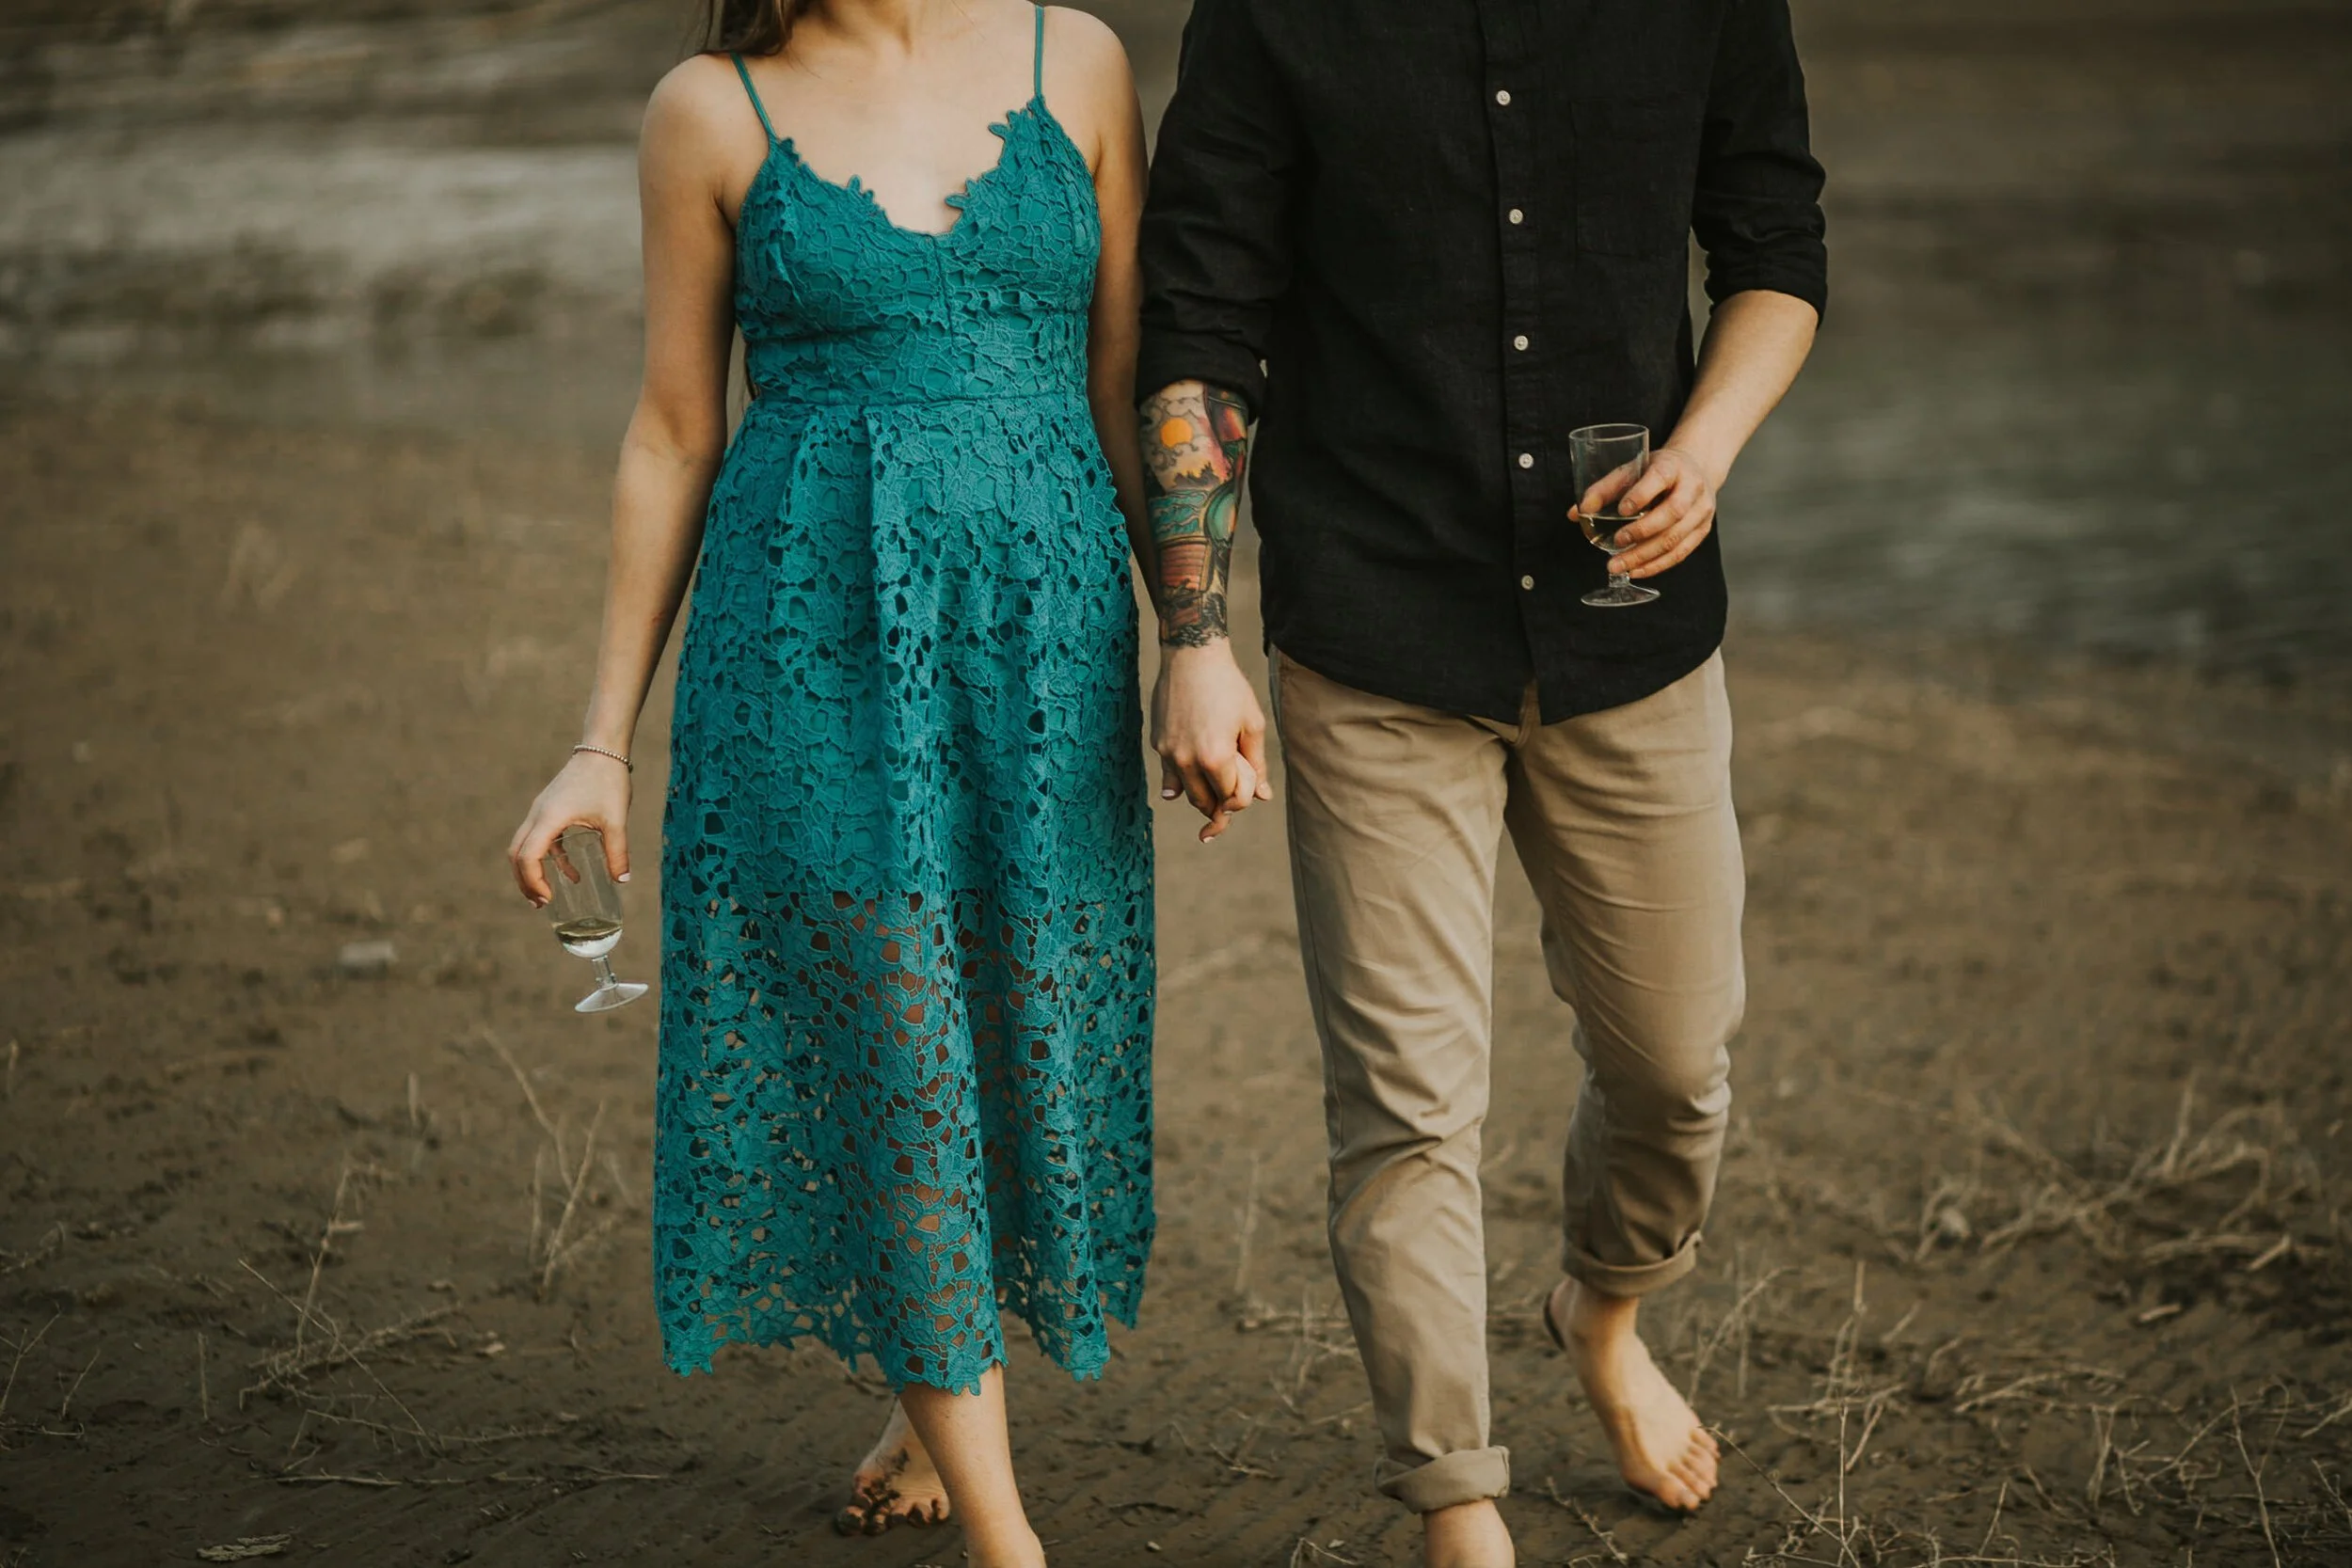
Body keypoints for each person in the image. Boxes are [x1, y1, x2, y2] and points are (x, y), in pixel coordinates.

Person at [1136, 1, 1828, 1562]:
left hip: (1632, 634)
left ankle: (1604, 1302)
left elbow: (1777, 248)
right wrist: (1193, 637)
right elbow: (1201, 313)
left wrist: (1706, 452)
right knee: (1405, 1109)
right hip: (1374, 629)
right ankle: (1460, 1506)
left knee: (1676, 1067)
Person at [506, 3, 1153, 1562]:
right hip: (811, 637)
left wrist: (1201, 639)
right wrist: (602, 738)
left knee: (1013, 1026)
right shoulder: (712, 111)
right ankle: (1009, 1535)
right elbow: (673, 431)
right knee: (897, 1044)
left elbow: (1131, 378)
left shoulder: (1081, 58)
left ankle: (927, 1398)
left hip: (1041, 645)